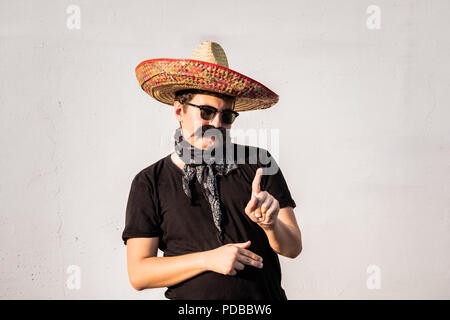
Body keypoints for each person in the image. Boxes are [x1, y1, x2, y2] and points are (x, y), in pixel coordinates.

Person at [122, 41, 302, 300]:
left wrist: (271, 225)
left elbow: (293, 247)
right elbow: (139, 273)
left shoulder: (259, 162)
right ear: (179, 111)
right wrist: (208, 260)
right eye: (207, 111)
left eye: (227, 116)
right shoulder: (150, 181)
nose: (217, 123)